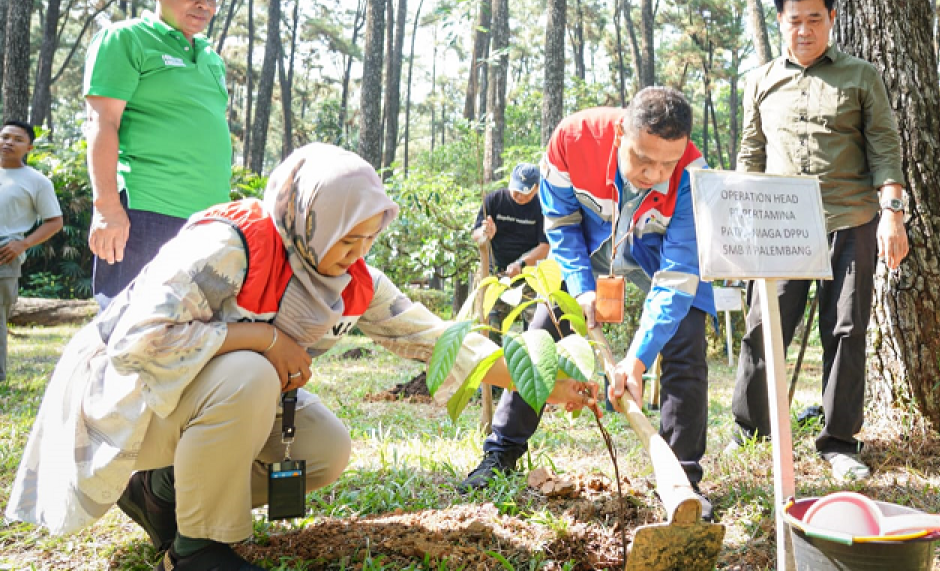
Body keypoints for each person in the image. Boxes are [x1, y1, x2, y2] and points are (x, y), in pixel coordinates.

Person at [4, 143, 594, 571]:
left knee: (323, 449)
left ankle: (163, 492)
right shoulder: (232, 246)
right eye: (346, 236)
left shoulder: (347, 276)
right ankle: (197, 549)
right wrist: (262, 339)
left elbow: (436, 339)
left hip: (194, 402)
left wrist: (542, 382)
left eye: (368, 239)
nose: (355, 253)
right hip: (123, 395)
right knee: (250, 372)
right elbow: (137, 340)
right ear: (311, 213)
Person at [460, 87, 717, 519]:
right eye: (642, 160)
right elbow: (559, 224)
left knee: (686, 338)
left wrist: (636, 359)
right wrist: (580, 286)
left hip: (655, 254)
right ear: (620, 133)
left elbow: (677, 276)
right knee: (543, 332)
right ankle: (501, 450)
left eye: (666, 164)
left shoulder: (693, 174)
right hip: (588, 249)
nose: (654, 173)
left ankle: (682, 481)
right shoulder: (572, 141)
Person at [730, 0, 908, 481]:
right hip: (779, 224)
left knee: (847, 330)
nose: (804, 30)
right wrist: (741, 220)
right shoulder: (761, 79)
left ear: (832, 18)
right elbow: (750, 155)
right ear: (780, 24)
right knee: (764, 327)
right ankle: (752, 429)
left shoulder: (860, 76)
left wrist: (892, 214)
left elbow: (884, 149)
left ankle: (839, 441)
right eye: (794, 21)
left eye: (814, 19)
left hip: (850, 219)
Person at [84, 0, 233, 309]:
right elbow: (101, 123)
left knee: (197, 337)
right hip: (144, 213)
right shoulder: (125, 38)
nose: (204, 5)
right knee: (129, 335)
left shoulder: (211, 58)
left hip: (208, 220)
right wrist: (105, 208)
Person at [0, 119, 63, 384]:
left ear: (29, 148)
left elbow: (55, 221)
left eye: (17, 139)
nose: (8, 142)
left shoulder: (37, 182)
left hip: (4, 253)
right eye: (4, 136)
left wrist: (23, 244)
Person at [473, 162, 550, 280]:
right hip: (493, 270)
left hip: (527, 271)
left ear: (536, 188)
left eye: (525, 192)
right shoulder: (494, 200)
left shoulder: (541, 207)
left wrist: (521, 264)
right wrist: (485, 232)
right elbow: (475, 235)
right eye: (516, 190)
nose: (519, 196)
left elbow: (544, 246)